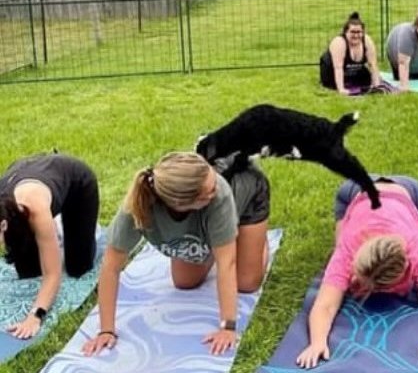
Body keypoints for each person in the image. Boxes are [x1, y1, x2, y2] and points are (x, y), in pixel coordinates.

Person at [81, 152, 270, 357]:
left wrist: (228, 327)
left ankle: (252, 239)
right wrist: (106, 330)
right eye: (208, 190)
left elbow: (227, 264)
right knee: (185, 282)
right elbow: (111, 267)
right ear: (179, 202)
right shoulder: (137, 208)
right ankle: (215, 239)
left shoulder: (219, 193)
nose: (215, 186)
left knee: (247, 283)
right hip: (202, 219)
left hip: (247, 200)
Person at [296, 176, 418, 369]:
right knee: (335, 250)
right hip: (356, 189)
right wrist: (317, 342)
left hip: (412, 195)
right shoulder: (347, 249)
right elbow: (325, 306)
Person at [1, 154, 99, 340]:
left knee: (78, 266)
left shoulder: (34, 208)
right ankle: (47, 233)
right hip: (23, 173)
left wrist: (35, 316)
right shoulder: (6, 212)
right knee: (29, 271)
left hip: (76, 184)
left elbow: (52, 275)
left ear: (3, 226)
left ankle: (55, 229)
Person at [320, 12, 381, 94]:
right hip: (332, 71)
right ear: (346, 32)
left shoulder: (367, 41)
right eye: (352, 32)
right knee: (332, 85)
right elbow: (338, 68)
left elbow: (373, 65)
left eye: (358, 32)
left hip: (353, 71)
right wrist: (341, 89)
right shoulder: (339, 43)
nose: (356, 35)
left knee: (367, 80)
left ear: (363, 32)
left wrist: (377, 86)